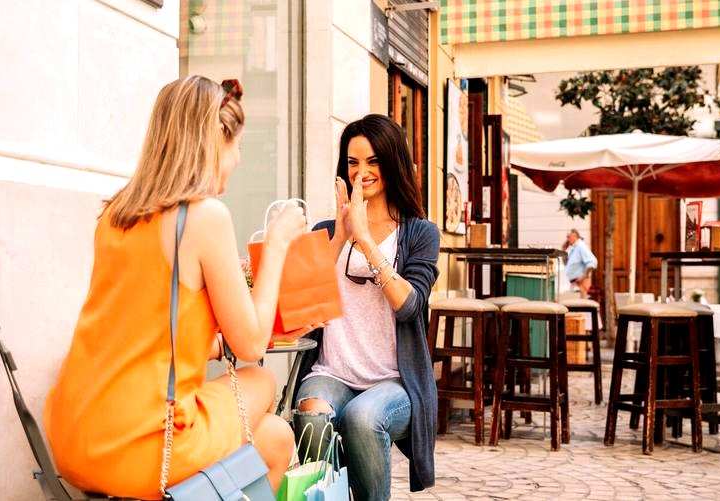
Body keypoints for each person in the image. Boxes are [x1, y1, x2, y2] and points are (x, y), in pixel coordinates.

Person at [44, 76, 305, 500]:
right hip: (143, 445)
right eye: (235, 144)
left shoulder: (115, 214)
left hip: (74, 435)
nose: (238, 159)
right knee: (262, 381)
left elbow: (142, 329)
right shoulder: (205, 217)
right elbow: (253, 343)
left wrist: (209, 337)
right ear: (213, 140)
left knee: (274, 438)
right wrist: (275, 245)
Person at [292, 114, 440, 501]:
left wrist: (366, 240)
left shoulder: (419, 233)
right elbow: (305, 304)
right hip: (333, 372)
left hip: (394, 381)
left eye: (373, 161)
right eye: (353, 162)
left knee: (363, 418)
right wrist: (342, 234)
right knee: (312, 416)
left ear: (392, 162)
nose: (362, 172)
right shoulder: (325, 231)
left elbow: (408, 306)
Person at [563, 229, 597, 295]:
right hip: (575, 283)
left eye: (568, 237)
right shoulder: (574, 247)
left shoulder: (581, 246)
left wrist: (584, 276)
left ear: (574, 236)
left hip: (581, 283)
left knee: (582, 303)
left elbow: (592, 262)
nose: (567, 239)